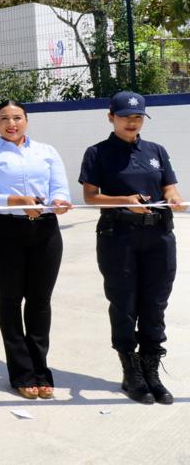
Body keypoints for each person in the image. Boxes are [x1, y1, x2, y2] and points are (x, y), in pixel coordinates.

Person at [79, 91, 186, 405]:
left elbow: (168, 185)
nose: (132, 122)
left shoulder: (156, 150)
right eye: (126, 116)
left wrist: (174, 197)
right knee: (124, 304)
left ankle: (151, 369)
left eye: (138, 117)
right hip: (119, 237)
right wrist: (123, 201)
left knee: (155, 304)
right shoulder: (97, 153)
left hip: (159, 237)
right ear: (111, 117)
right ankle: (131, 371)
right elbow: (90, 196)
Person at [0, 100, 73, 399]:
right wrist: (17, 201)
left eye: (17, 118)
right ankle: (21, 372)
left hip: (44, 231)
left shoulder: (47, 152)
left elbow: (60, 189)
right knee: (11, 300)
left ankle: (41, 369)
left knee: (40, 301)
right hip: (3, 233)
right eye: (4, 118)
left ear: (26, 120)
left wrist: (58, 202)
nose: (11, 123)